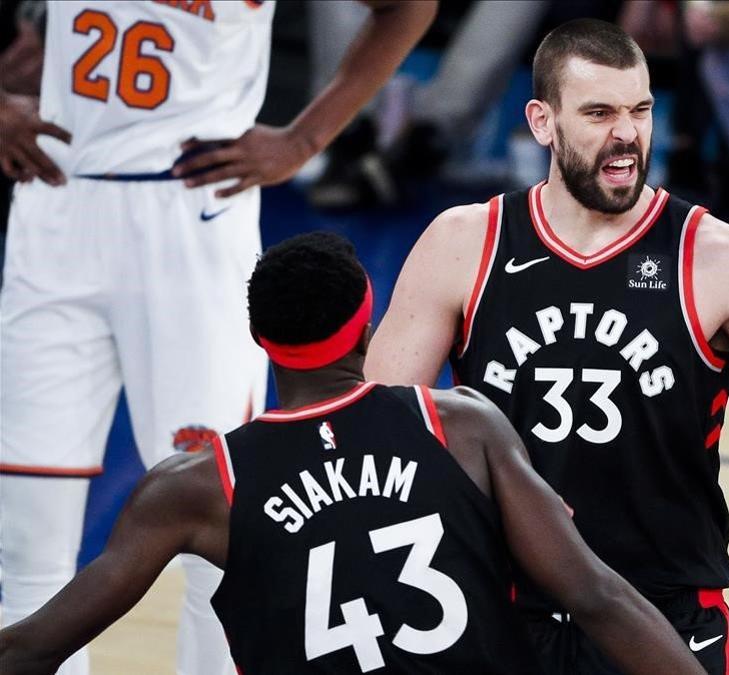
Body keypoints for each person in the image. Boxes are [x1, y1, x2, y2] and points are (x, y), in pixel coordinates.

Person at [364, 18, 729, 675]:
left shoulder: (723, 257)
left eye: (640, 109)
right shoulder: (465, 242)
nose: (626, 134)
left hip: (658, 620)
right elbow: (374, 440)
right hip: (501, 610)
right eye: (599, 112)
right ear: (542, 121)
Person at [0, 231, 707, 675]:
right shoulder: (460, 426)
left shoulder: (200, 485)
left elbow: (33, 647)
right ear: (366, 328)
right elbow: (596, 593)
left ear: (261, 342)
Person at [0, 2, 436, 674]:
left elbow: (408, 8)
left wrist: (305, 139)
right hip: (57, 205)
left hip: (191, 216)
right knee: (29, 546)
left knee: (218, 543)